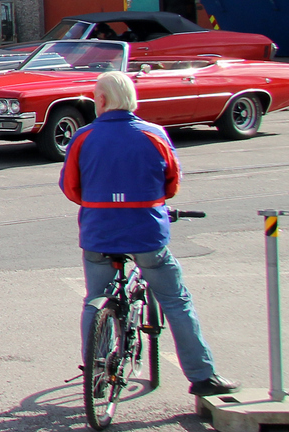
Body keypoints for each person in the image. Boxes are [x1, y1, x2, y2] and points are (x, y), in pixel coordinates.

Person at [61, 70, 237, 397]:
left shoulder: (83, 137)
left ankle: (95, 371)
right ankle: (202, 376)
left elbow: (71, 188)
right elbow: (172, 183)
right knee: (175, 300)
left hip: (99, 231)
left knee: (93, 298)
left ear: (101, 100)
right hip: (146, 231)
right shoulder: (154, 134)